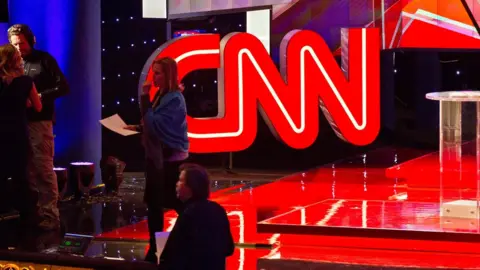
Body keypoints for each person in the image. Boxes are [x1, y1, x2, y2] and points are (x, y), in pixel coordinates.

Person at [124, 57, 189, 263]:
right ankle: (156, 248)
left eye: (159, 73)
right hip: (158, 158)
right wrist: (139, 127)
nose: (154, 78)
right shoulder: (163, 95)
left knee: (171, 203)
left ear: (168, 75)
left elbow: (156, 124)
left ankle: (171, 247)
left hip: (168, 159)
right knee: (155, 204)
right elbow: (152, 123)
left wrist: (144, 97)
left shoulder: (175, 99)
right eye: (154, 73)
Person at [8, 24, 70, 230]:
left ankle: (50, 215)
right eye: (15, 44)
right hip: (17, 124)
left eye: (22, 44)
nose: (19, 48)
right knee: (27, 171)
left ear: (31, 40)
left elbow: (63, 86)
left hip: (39, 122)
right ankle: (33, 214)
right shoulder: (8, 64)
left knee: (43, 168)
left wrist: (39, 97)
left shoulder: (44, 60)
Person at [159, 163, 235, 270]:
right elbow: (229, 248)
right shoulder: (218, 209)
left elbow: (171, 254)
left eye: (181, 181)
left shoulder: (189, 213)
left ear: (191, 187)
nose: (177, 184)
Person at [0, 44, 42, 226]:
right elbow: (38, 107)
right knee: (21, 175)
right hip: (18, 132)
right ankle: (27, 220)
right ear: (16, 60)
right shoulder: (26, 81)